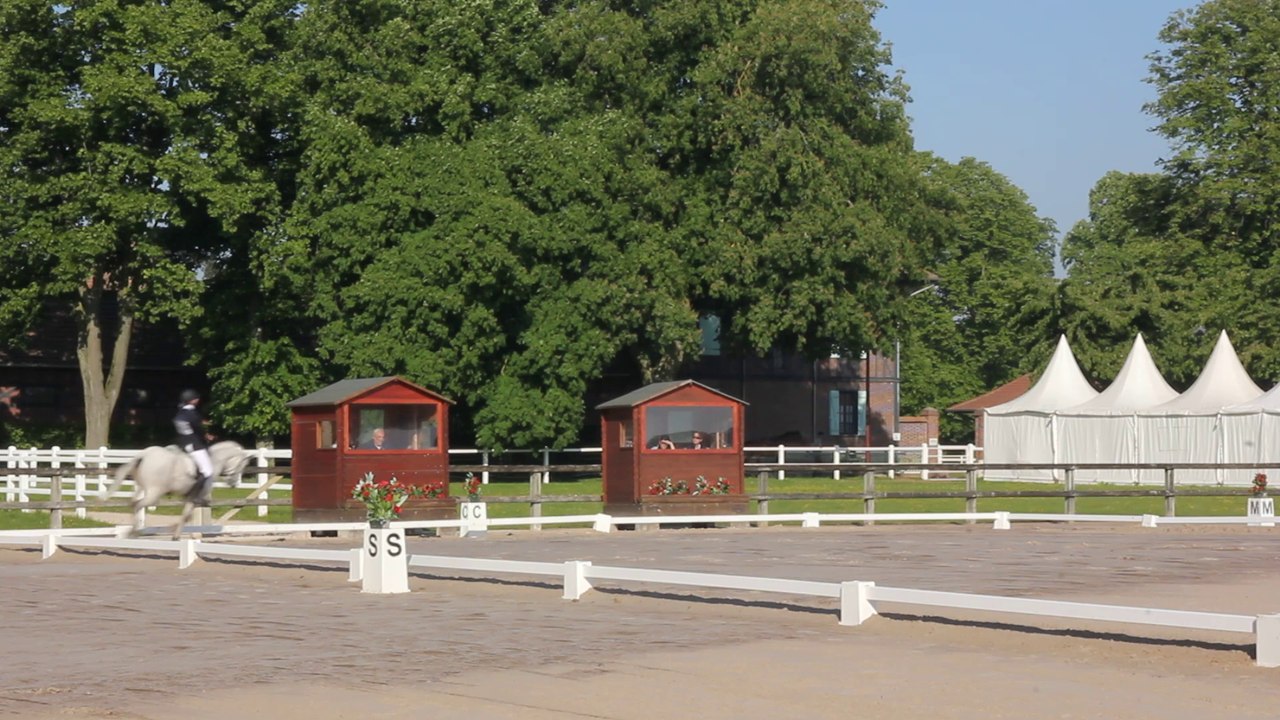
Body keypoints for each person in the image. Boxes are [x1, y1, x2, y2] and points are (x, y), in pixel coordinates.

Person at [173, 389, 213, 503]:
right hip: (195, 445)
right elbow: (198, 428)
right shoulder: (192, 413)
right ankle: (194, 495)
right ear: (193, 400)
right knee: (207, 471)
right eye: (196, 398)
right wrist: (206, 436)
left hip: (183, 444)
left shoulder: (180, 413)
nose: (198, 400)